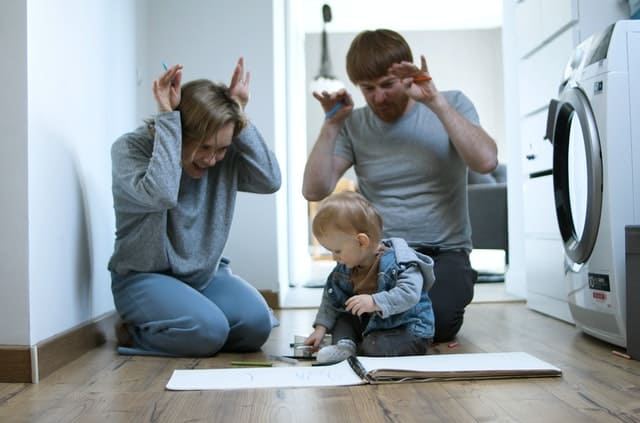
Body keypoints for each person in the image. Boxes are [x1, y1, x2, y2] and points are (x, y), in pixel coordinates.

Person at [303, 29, 498, 343]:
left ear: (407, 77)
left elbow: (486, 161)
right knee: (374, 312)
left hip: (443, 253)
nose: (378, 97)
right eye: (368, 89)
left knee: (438, 323)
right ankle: (378, 322)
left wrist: (436, 103)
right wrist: (331, 125)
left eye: (387, 85)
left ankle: (379, 322)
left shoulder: (452, 103)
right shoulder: (353, 124)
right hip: (380, 255)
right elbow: (314, 190)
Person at [108, 57, 282, 357]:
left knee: (256, 326)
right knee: (209, 332)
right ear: (179, 131)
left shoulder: (222, 155)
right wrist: (167, 118)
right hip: (143, 278)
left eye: (222, 149)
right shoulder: (130, 149)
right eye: (203, 147)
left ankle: (193, 326)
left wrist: (240, 113)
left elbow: (270, 180)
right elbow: (161, 194)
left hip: (204, 277)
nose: (212, 159)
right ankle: (136, 332)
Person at [304, 191, 435, 364]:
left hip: (406, 328)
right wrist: (320, 329)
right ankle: (345, 346)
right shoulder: (344, 269)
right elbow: (330, 300)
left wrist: (374, 302)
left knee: (374, 347)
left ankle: (362, 347)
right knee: (343, 317)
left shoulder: (401, 263)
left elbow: (409, 294)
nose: (334, 257)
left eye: (337, 251)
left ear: (362, 242)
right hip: (369, 324)